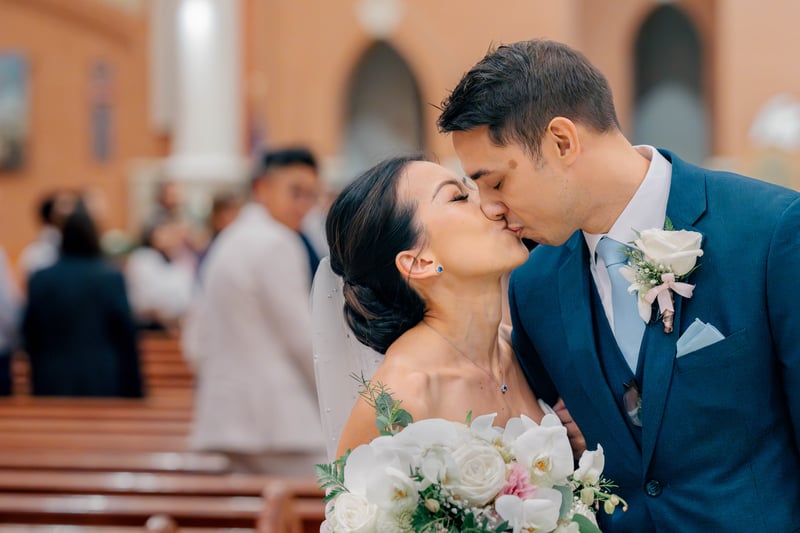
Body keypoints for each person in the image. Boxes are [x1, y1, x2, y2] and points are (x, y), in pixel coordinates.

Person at [436, 39, 800, 531]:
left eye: (496, 182)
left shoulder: (770, 230)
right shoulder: (533, 285)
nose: (489, 207)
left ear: (562, 141)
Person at [318, 156, 580, 461]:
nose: (495, 206)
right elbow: (353, 506)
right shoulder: (402, 395)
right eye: (459, 197)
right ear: (420, 262)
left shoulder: (523, 350)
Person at [182, 147, 325, 476]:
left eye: (310, 196)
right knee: (340, 500)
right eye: (296, 192)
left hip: (227, 416)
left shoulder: (229, 239)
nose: (303, 206)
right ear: (262, 188)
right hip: (275, 422)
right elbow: (302, 339)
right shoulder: (276, 242)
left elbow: (196, 338)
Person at [22, 201, 143, 397]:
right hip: (102, 376)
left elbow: (30, 331)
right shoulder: (110, 278)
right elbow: (125, 333)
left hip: (52, 377)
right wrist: (135, 388)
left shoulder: (41, 279)